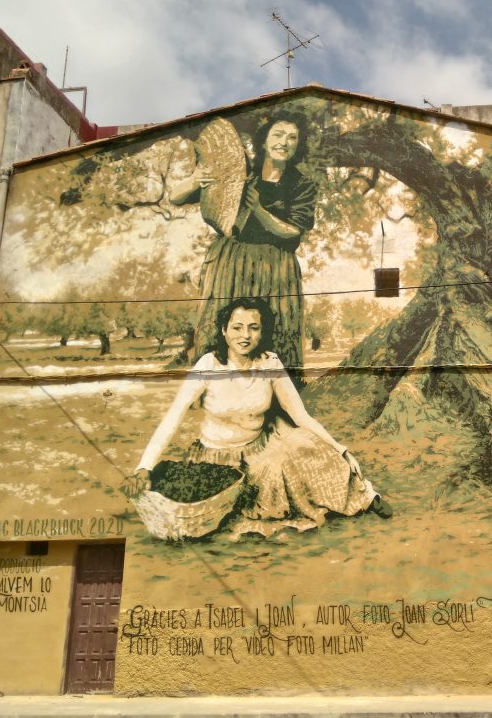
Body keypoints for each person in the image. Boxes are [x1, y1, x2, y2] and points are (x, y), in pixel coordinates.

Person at [130, 298, 391, 539]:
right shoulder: (209, 365)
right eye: (237, 327)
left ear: (262, 331)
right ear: (224, 330)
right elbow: (172, 417)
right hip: (220, 457)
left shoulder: (269, 363)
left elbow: (299, 415)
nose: (245, 336)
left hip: (262, 443)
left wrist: (340, 449)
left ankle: (365, 496)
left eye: (253, 328)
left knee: (305, 444)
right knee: (271, 471)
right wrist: (145, 466)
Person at [176, 113, 316, 381]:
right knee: (222, 323)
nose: (284, 142)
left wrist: (258, 211)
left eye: (292, 138)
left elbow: (292, 231)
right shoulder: (239, 172)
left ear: (298, 145)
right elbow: (177, 196)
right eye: (278, 134)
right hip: (230, 260)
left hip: (276, 266)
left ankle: (279, 396)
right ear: (264, 140)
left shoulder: (301, 184)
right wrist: (195, 180)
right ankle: (214, 389)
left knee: (275, 326)